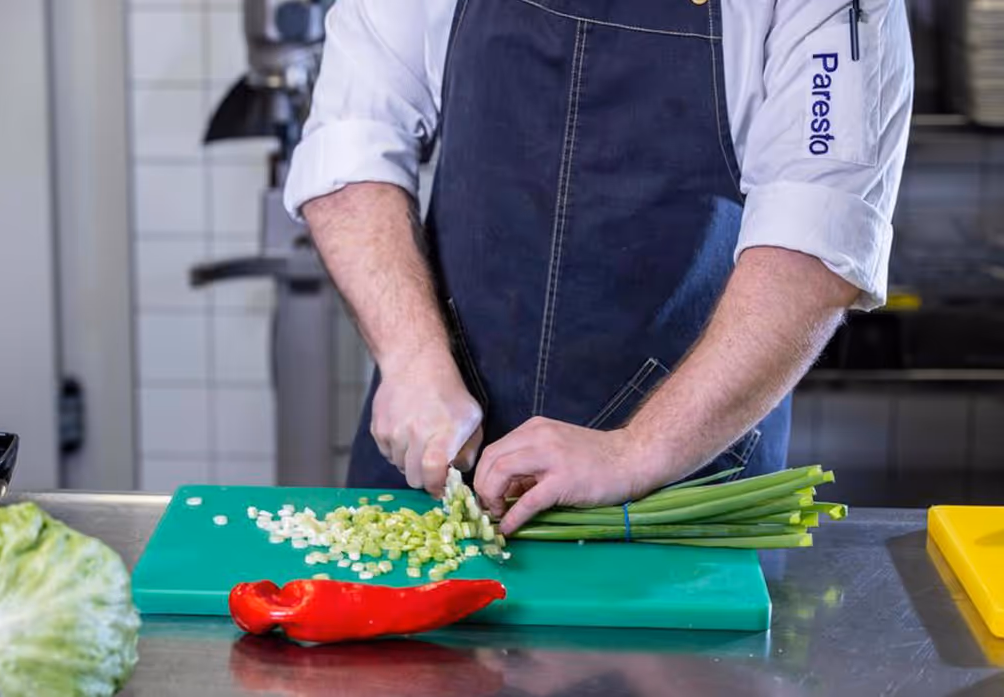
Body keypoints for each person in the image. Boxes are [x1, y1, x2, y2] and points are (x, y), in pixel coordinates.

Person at [284, 0, 914, 534]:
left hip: (677, 489)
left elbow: (814, 239)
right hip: (440, 455)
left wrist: (638, 452)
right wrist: (412, 358)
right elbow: (352, 137)